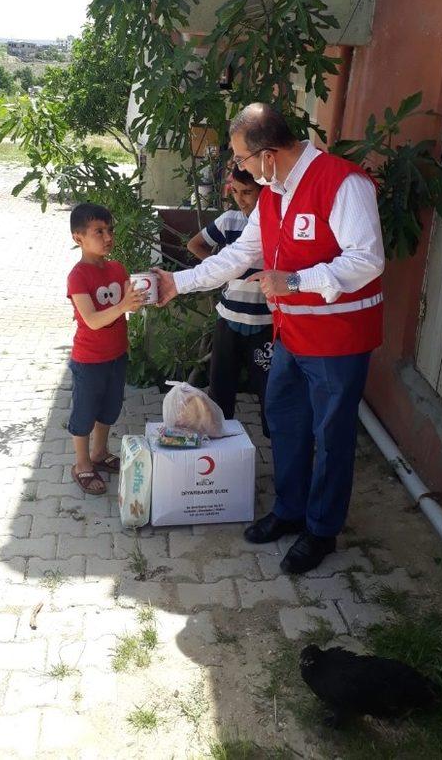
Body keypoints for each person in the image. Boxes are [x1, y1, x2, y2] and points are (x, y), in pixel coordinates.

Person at [154, 103, 385, 574]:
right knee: (285, 422)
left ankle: (321, 531)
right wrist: (179, 283)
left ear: (270, 153)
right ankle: (290, 509)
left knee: (331, 435)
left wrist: (296, 281)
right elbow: (241, 254)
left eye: (242, 158)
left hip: (339, 340)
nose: (239, 168)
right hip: (293, 335)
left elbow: (367, 260)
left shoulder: (343, 184)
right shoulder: (275, 192)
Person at [186, 165, 273, 437]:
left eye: (248, 192)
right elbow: (195, 244)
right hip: (229, 321)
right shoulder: (230, 221)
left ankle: (278, 453)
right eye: (235, 191)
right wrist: (218, 268)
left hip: (266, 324)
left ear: (265, 192)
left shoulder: (276, 224)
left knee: (270, 392)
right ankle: (218, 453)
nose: (241, 198)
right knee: (220, 391)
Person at [66, 203, 146, 495]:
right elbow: (92, 320)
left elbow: (131, 303)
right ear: (79, 238)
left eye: (109, 230)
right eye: (98, 231)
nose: (107, 236)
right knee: (85, 413)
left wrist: (145, 295)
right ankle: (82, 463)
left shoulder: (117, 268)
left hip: (116, 355)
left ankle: (100, 453)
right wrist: (123, 305)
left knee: (110, 409)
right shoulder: (78, 276)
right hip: (89, 359)